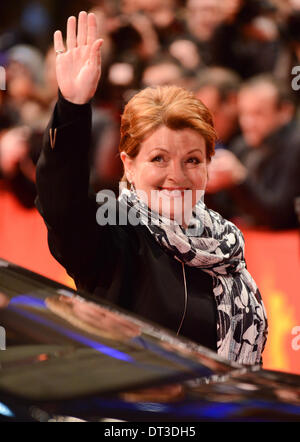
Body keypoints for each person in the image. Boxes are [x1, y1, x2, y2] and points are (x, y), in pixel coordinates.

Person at [35, 11, 267, 366]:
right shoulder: (112, 235)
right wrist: (72, 107)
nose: (177, 175)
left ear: (208, 164)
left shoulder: (224, 243)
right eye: (159, 159)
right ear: (129, 164)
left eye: (192, 160)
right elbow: (61, 204)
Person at [206, 75, 300, 229]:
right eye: (244, 113)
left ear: (285, 111)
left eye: (258, 114)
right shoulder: (242, 145)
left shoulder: (295, 145)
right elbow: (225, 211)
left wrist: (240, 179)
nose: (248, 122)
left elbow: (282, 217)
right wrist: (208, 186)